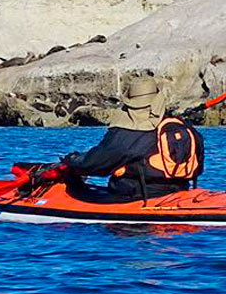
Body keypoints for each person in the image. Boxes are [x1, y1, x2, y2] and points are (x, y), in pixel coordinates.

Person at [61, 77, 204, 201]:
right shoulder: (181, 126)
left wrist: (73, 160)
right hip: (179, 191)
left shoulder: (128, 133)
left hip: (134, 199)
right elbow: (199, 164)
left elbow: (96, 164)